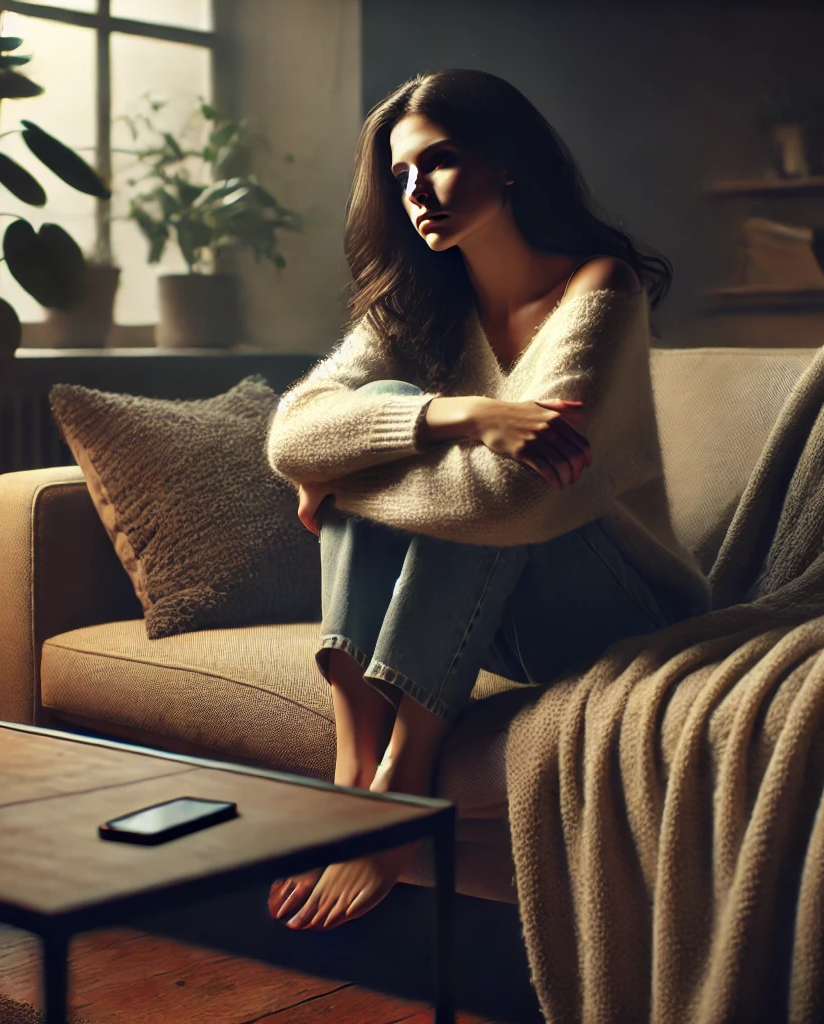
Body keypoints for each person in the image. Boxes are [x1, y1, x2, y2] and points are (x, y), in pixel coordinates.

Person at [263, 69, 710, 932]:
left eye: (441, 161)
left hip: (618, 607)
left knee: (397, 442)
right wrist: (461, 414)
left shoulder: (598, 290)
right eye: (400, 177)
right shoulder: (418, 307)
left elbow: (511, 502)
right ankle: (354, 775)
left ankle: (401, 785)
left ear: (507, 161)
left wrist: (353, 469)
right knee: (390, 405)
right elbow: (290, 439)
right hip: (499, 617)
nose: (416, 193)